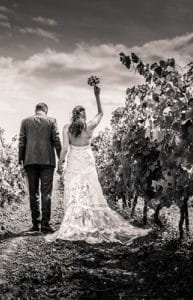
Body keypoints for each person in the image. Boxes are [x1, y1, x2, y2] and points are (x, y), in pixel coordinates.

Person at [46, 85, 150, 244]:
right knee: (90, 191)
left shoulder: (67, 128)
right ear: (84, 115)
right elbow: (101, 113)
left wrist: (60, 163)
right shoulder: (89, 126)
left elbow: (65, 149)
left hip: (74, 160)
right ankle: (88, 223)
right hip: (87, 160)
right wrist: (97, 95)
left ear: (73, 115)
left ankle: (76, 223)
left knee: (73, 192)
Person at [18, 103, 62, 233]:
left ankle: (35, 224)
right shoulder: (52, 121)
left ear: (36, 110)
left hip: (30, 160)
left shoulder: (25, 121)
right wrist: (61, 159)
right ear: (45, 111)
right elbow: (57, 140)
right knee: (46, 193)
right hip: (47, 161)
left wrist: (20, 161)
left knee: (33, 193)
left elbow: (21, 141)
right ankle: (45, 225)